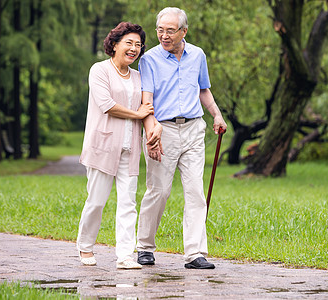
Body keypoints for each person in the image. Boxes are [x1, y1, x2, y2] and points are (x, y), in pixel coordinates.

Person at [136, 7, 227, 269]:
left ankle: (195, 253)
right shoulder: (149, 59)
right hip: (162, 130)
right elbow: (147, 100)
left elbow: (203, 89)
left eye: (170, 30)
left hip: (193, 129)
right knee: (160, 190)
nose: (164, 35)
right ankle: (144, 246)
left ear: (183, 31)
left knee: (195, 191)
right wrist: (151, 133)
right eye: (160, 30)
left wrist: (217, 116)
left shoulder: (197, 55)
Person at [76, 22, 154, 270]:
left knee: (128, 203)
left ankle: (125, 255)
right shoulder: (99, 70)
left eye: (138, 45)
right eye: (129, 43)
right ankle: (85, 246)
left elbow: (148, 109)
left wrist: (150, 122)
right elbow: (106, 105)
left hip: (130, 149)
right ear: (115, 44)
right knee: (96, 201)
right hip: (103, 145)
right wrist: (138, 114)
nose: (134, 49)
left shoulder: (139, 77)